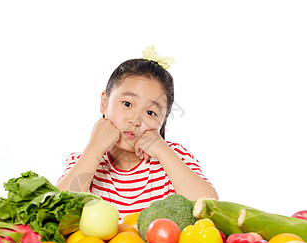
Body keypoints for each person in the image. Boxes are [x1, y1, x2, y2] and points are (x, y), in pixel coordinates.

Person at [56, 46, 218, 218]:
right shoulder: (84, 160)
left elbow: (209, 207)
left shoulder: (175, 157)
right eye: (127, 104)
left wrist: (163, 152)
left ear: (163, 121)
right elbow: (57, 210)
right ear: (104, 102)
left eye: (150, 113)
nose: (135, 120)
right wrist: (94, 149)